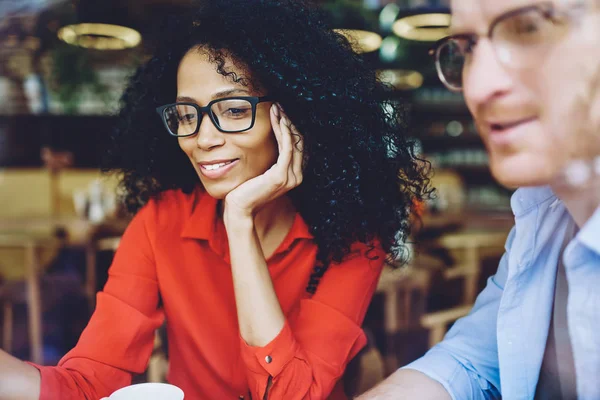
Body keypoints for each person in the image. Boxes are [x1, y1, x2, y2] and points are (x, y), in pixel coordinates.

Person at [0, 1, 431, 399]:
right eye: (188, 115)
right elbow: (88, 380)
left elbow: (288, 395)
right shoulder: (161, 221)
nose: (203, 138)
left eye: (234, 110)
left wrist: (239, 221)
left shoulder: (354, 238)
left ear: (294, 114)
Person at [358, 0, 600, 399]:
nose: (479, 86)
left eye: (527, 29)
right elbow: (470, 363)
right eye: (468, 47)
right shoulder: (546, 215)